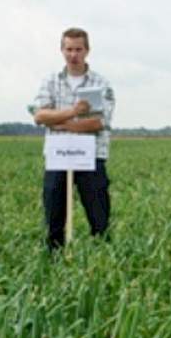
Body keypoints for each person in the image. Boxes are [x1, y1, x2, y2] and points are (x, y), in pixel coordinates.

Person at [30, 27, 115, 249]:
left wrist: (59, 123)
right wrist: (75, 112)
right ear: (61, 50)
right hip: (58, 155)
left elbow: (98, 122)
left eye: (78, 49)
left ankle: (102, 259)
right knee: (54, 214)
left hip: (92, 155)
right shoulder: (50, 81)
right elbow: (40, 115)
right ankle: (54, 262)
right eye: (68, 49)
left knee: (99, 215)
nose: (73, 54)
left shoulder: (101, 83)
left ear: (87, 50)